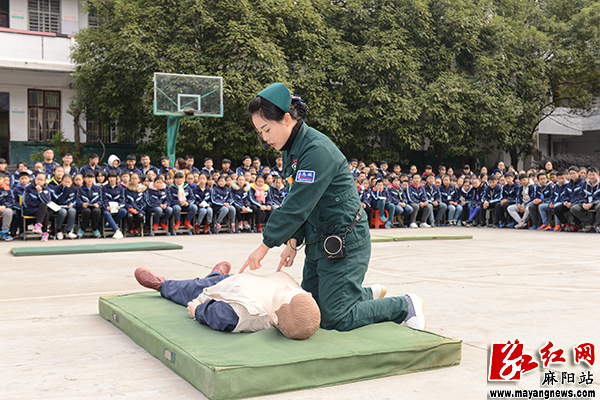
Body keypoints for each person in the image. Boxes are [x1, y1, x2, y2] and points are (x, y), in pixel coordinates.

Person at [241, 83, 425, 332]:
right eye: (260, 132)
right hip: (320, 239)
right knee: (310, 307)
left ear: (286, 119)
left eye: (266, 129)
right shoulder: (291, 151)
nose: (264, 138)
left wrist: (264, 246)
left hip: (345, 238)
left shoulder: (316, 150)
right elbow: (299, 198)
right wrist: (293, 242)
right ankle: (361, 294)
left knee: (334, 318)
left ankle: (404, 305)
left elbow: (297, 204)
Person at [134, 262, 321, 339]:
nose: (289, 287)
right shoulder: (297, 298)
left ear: (275, 316)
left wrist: (198, 310)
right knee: (217, 278)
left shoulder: (242, 315)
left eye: (286, 292)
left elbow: (218, 317)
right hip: (237, 281)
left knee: (190, 288)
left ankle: (163, 285)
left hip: (221, 292)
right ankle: (217, 273)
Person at [23, 171, 52, 241]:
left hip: (40, 210)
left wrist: (40, 193)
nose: (39, 181)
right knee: (44, 209)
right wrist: (38, 205)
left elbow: (47, 201)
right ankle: (44, 232)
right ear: (34, 179)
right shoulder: (28, 188)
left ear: (45, 181)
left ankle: (38, 225)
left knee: (44, 208)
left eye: (41, 180)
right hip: (30, 209)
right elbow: (26, 203)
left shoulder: (46, 189)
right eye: (37, 179)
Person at [569, 166, 600, 232]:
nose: (591, 177)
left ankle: (597, 225)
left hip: (596, 203)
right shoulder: (585, 184)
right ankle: (588, 222)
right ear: (587, 175)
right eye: (590, 175)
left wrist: (591, 203)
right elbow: (581, 195)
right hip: (586, 203)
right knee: (574, 208)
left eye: (593, 175)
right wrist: (583, 203)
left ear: (597, 174)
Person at [77, 171, 103, 238]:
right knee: (87, 211)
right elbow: (78, 200)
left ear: (94, 179)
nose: (89, 179)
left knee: (97, 211)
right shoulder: (80, 189)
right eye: (87, 178)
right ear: (84, 179)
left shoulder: (98, 188)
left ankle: (94, 228)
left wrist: (98, 204)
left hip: (94, 206)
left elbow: (100, 200)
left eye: (91, 178)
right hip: (84, 207)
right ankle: (82, 228)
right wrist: (82, 204)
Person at [102, 170, 127, 239]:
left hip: (117, 208)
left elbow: (122, 199)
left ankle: (111, 223)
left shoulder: (120, 188)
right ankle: (117, 231)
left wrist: (119, 206)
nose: (112, 179)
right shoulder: (104, 188)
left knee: (124, 211)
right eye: (110, 177)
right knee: (106, 213)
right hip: (108, 208)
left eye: (113, 177)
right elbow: (103, 199)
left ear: (117, 178)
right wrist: (106, 206)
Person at [53, 174, 78, 240]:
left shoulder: (74, 189)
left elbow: (76, 199)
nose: (67, 184)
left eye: (69, 182)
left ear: (72, 182)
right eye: (65, 182)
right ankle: (59, 230)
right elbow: (58, 200)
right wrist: (65, 191)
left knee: (72, 211)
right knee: (63, 212)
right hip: (60, 207)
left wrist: (72, 205)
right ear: (61, 181)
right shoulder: (57, 189)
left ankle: (69, 231)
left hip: (70, 206)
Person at [0, 172, 14, 241]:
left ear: (3, 180)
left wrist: (4, 206)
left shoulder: (7, 188)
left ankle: (5, 232)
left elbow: (11, 201)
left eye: (0, 179)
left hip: (2, 209)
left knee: (8, 211)